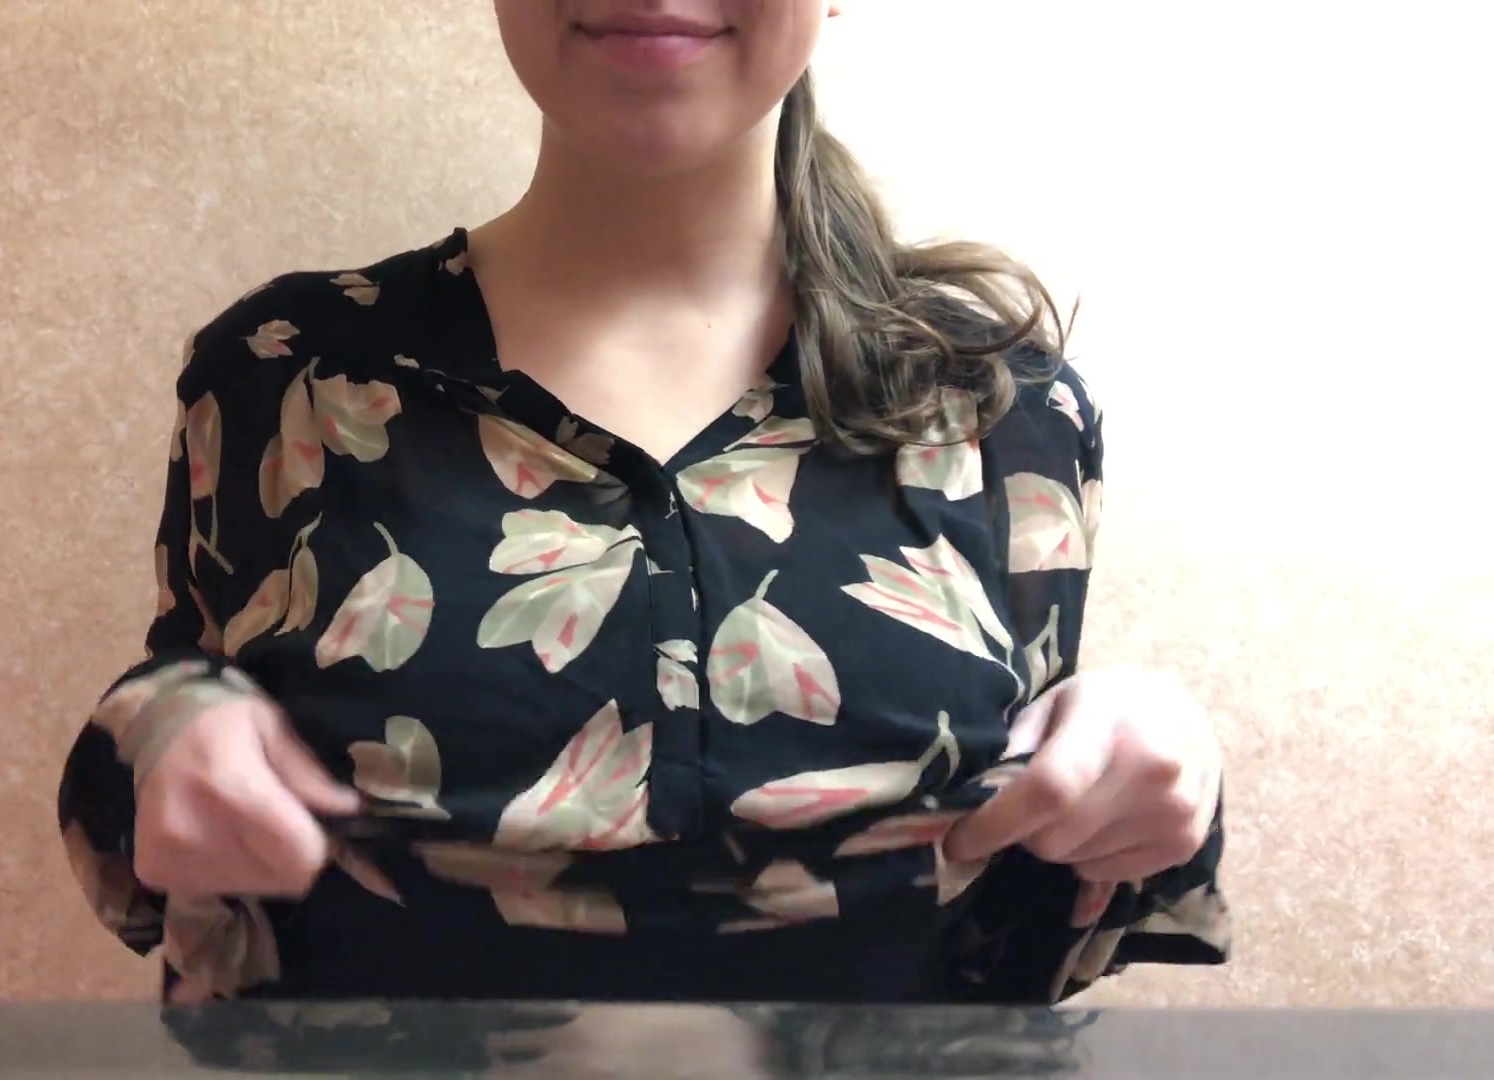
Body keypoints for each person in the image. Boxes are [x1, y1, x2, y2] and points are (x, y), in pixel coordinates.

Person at [59, 0, 1229, 1006]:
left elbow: (1035, 919)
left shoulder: (1004, 407)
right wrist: (158, 735)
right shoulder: (283, 376)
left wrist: (1154, 765)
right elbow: (160, 829)